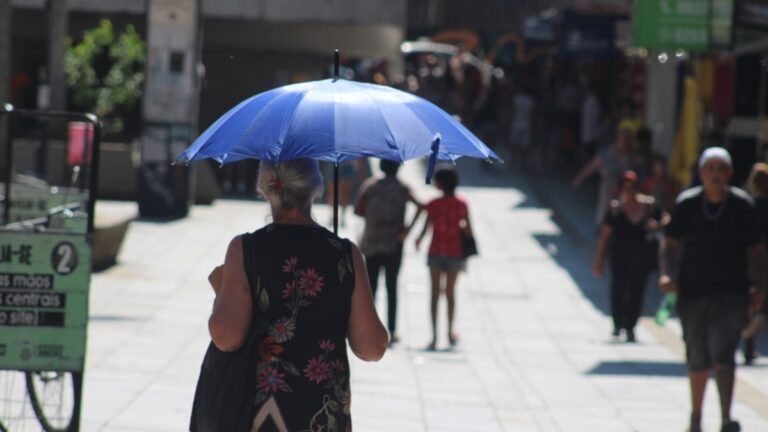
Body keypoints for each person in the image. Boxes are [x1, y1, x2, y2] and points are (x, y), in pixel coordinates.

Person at [207, 159, 388, 431]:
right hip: (323, 413)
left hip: (261, 412)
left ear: (265, 188)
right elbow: (372, 348)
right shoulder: (344, 254)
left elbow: (226, 337)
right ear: (315, 188)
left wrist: (222, 293)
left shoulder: (246, 249)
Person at [659, 147, 766, 432]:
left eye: (721, 169)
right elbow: (669, 242)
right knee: (697, 355)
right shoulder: (687, 204)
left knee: (724, 353)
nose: (716, 174)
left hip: (732, 292)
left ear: (730, 173)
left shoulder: (742, 206)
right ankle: (695, 417)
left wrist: (760, 286)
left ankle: (726, 418)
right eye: (711, 169)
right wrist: (668, 274)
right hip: (692, 291)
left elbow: (755, 250)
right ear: (702, 173)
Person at [354, 160, 423, 346]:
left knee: (371, 289)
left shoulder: (370, 186)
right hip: (394, 243)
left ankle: (369, 329)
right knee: (392, 287)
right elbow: (421, 207)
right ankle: (392, 331)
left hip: (372, 242)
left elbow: (358, 210)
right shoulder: (403, 188)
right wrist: (407, 229)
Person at [592, 170, 665, 342]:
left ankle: (631, 326)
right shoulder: (616, 209)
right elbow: (605, 235)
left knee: (636, 292)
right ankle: (618, 325)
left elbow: (667, 218)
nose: (628, 191)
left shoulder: (649, 205)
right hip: (620, 256)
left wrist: (656, 224)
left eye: (632, 188)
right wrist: (598, 261)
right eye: (625, 188)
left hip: (642, 257)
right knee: (618, 289)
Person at [415, 166, 473, 350]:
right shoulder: (462, 204)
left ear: (440, 184)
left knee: (434, 294)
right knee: (450, 293)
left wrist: (418, 239)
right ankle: (449, 333)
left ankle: (433, 336)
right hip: (455, 253)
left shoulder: (434, 204)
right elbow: (469, 230)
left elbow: (426, 227)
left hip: (436, 251)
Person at [572, 129, 634, 226]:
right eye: (622, 139)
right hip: (607, 192)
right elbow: (592, 166)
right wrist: (579, 179)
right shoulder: (606, 154)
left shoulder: (633, 157)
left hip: (625, 194)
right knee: (603, 218)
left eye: (627, 140)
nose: (624, 142)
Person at [742, 162, 768, 364]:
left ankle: (748, 342)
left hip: (751, 259)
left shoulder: (747, 205)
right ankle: (748, 336)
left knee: (753, 303)